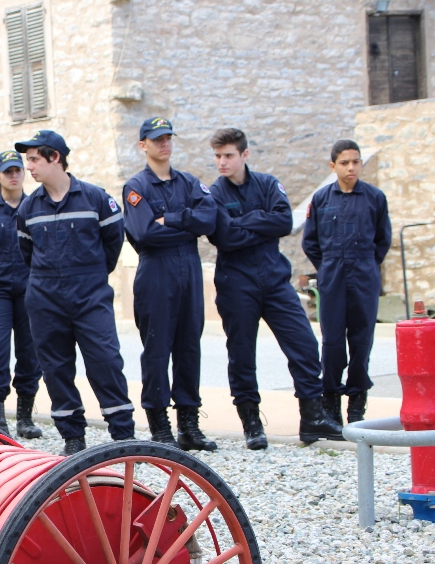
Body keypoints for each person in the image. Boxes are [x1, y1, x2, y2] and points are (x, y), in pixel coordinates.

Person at [208, 128, 343, 447]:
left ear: (244, 154)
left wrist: (244, 221)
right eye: (217, 156)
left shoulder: (268, 184)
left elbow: (284, 222)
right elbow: (224, 237)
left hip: (274, 280)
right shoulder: (213, 194)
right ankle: (252, 424)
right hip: (236, 283)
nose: (222, 162)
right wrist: (261, 222)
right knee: (241, 354)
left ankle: (312, 418)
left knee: (304, 345)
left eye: (228, 155)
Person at [15, 130, 135, 454]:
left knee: (105, 360)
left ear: (55, 157)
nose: (29, 167)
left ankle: (124, 436)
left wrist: (90, 276)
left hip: (90, 294)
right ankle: (73, 438)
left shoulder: (96, 199)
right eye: (28, 161)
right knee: (55, 368)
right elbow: (27, 252)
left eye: (34, 159)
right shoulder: (28, 208)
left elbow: (113, 243)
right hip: (44, 297)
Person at [121, 117, 217, 452]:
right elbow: (145, 232)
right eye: (157, 139)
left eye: (168, 138)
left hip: (188, 268)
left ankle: (189, 425)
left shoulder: (188, 182)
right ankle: (160, 426)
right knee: (157, 349)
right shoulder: (136, 186)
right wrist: (188, 227)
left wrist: (173, 220)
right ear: (143, 145)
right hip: (156, 270)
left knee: (189, 347)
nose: (164, 144)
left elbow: (210, 219)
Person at [303, 139, 392, 425]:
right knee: (332, 342)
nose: (351, 167)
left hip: (364, 274)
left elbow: (383, 239)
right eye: (344, 163)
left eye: (355, 162)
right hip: (332, 274)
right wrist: (328, 267)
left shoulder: (375, 197)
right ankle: (330, 403)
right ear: (333, 166)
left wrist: (367, 265)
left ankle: (356, 404)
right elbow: (310, 242)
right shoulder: (321, 199)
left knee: (361, 340)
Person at [0, 151, 43, 438]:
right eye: (7, 172)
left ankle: (25, 417)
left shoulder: (35, 208)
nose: (13, 176)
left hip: (30, 289)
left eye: (17, 170)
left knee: (30, 353)